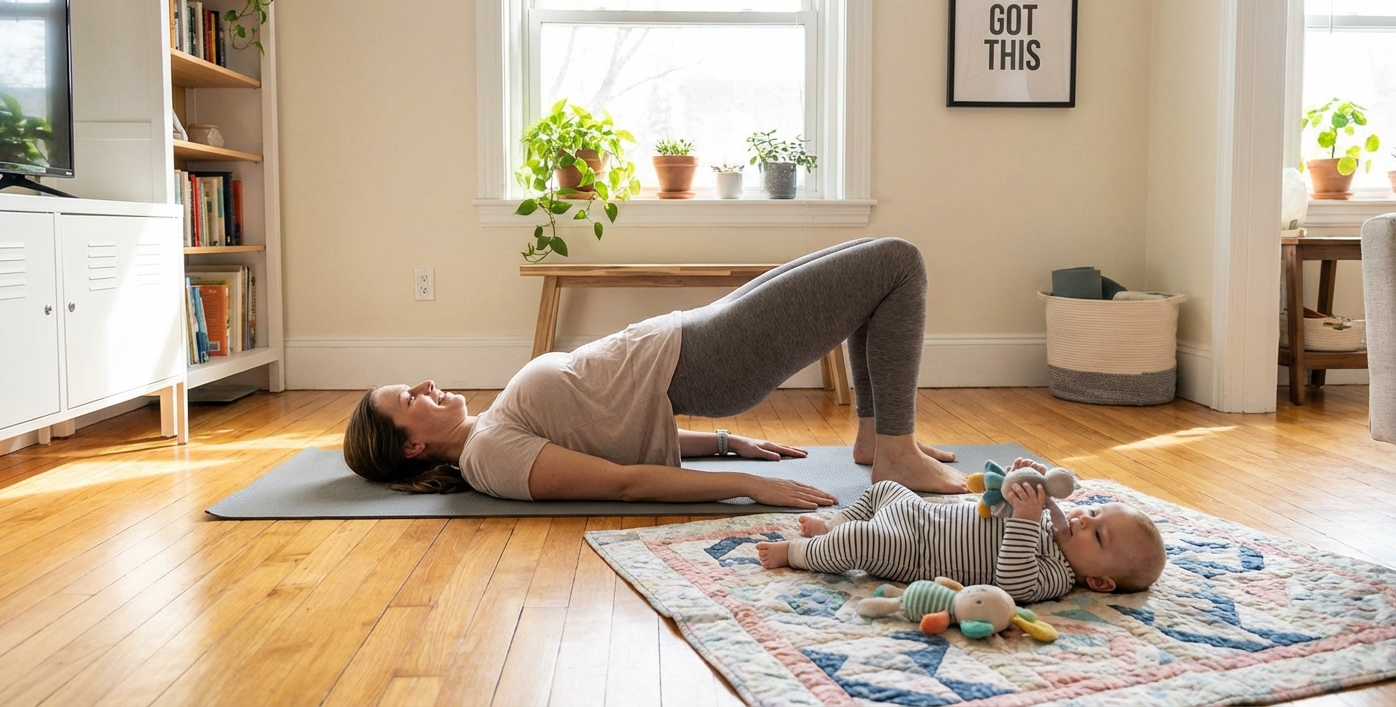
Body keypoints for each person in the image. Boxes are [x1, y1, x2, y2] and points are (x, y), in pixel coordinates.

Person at [343, 237, 970, 508]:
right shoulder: (491, 461)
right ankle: (896, 450)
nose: (424, 385)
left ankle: (877, 438)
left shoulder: (492, 430)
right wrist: (746, 487)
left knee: (870, 264)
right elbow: (621, 482)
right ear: (413, 444)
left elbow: (610, 427)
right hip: (708, 358)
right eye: (409, 396)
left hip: (695, 339)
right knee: (898, 263)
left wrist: (726, 445)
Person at [755, 458, 1167, 603]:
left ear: (1097, 581)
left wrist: (1024, 519)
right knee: (884, 488)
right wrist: (1018, 480)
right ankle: (836, 521)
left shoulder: (1057, 575)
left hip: (912, 550)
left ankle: (797, 553)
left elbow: (1013, 582)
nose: (1082, 520)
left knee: (858, 543)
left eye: (1097, 536)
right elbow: (996, 501)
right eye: (1093, 512)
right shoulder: (1045, 514)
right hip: (919, 513)